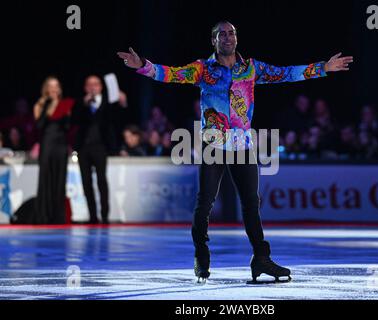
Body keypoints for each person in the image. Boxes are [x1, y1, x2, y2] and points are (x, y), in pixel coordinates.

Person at [117, 21, 353, 283]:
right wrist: (143, 66)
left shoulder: (250, 68)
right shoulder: (203, 69)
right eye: (222, 34)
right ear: (213, 41)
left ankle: (261, 258)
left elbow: (286, 73)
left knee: (252, 203)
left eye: (232, 33)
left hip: (242, 145)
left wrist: (324, 67)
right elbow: (171, 74)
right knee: (205, 202)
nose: (228, 38)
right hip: (214, 144)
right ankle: (201, 254)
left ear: (237, 38)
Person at [72, 75, 128, 224]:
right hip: (83, 148)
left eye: (95, 84)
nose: (92, 87)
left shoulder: (108, 102)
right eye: (89, 84)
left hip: (101, 147)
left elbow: (118, 117)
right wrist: (84, 104)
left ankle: (104, 215)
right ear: (85, 88)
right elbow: (74, 120)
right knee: (86, 182)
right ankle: (92, 216)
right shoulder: (81, 103)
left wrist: (122, 102)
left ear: (101, 87)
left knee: (102, 180)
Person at [33, 77, 73, 224]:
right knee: (46, 178)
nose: (54, 89)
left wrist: (64, 112)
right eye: (51, 86)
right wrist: (50, 107)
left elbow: (67, 127)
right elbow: (39, 126)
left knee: (60, 179)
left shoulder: (65, 105)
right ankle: (43, 216)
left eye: (56, 86)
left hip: (61, 145)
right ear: (46, 89)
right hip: (47, 144)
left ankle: (58, 217)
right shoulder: (40, 104)